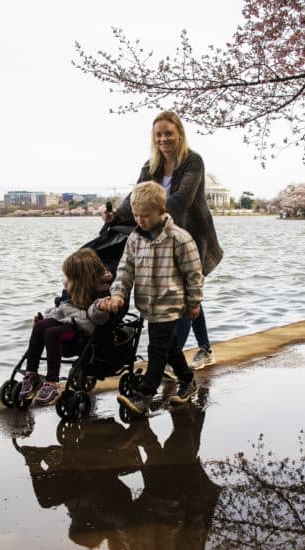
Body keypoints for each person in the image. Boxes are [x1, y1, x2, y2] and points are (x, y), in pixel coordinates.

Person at [103, 110, 222, 370]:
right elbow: (136, 196)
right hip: (162, 235)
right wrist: (117, 215)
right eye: (159, 134)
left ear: (179, 133)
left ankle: (171, 358)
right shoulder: (151, 166)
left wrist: (150, 209)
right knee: (188, 298)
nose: (164, 138)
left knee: (189, 296)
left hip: (192, 235)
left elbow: (181, 200)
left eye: (169, 133)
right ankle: (205, 349)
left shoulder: (193, 162)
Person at [101, 181, 203, 415]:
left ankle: (144, 397)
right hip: (148, 303)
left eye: (145, 216)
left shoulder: (179, 238)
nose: (140, 220)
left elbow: (193, 273)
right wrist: (117, 294)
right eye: (136, 215)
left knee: (156, 350)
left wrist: (194, 301)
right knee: (169, 348)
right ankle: (188, 380)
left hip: (170, 303)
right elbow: (125, 270)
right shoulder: (135, 239)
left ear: (161, 211)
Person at [19, 248, 111, 407]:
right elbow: (62, 309)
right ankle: (31, 374)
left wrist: (101, 306)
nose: (67, 280)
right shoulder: (71, 288)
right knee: (40, 326)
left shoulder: (100, 291)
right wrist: (46, 317)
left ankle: (52, 382)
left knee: (51, 333)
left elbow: (97, 317)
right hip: (67, 319)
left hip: (82, 328)